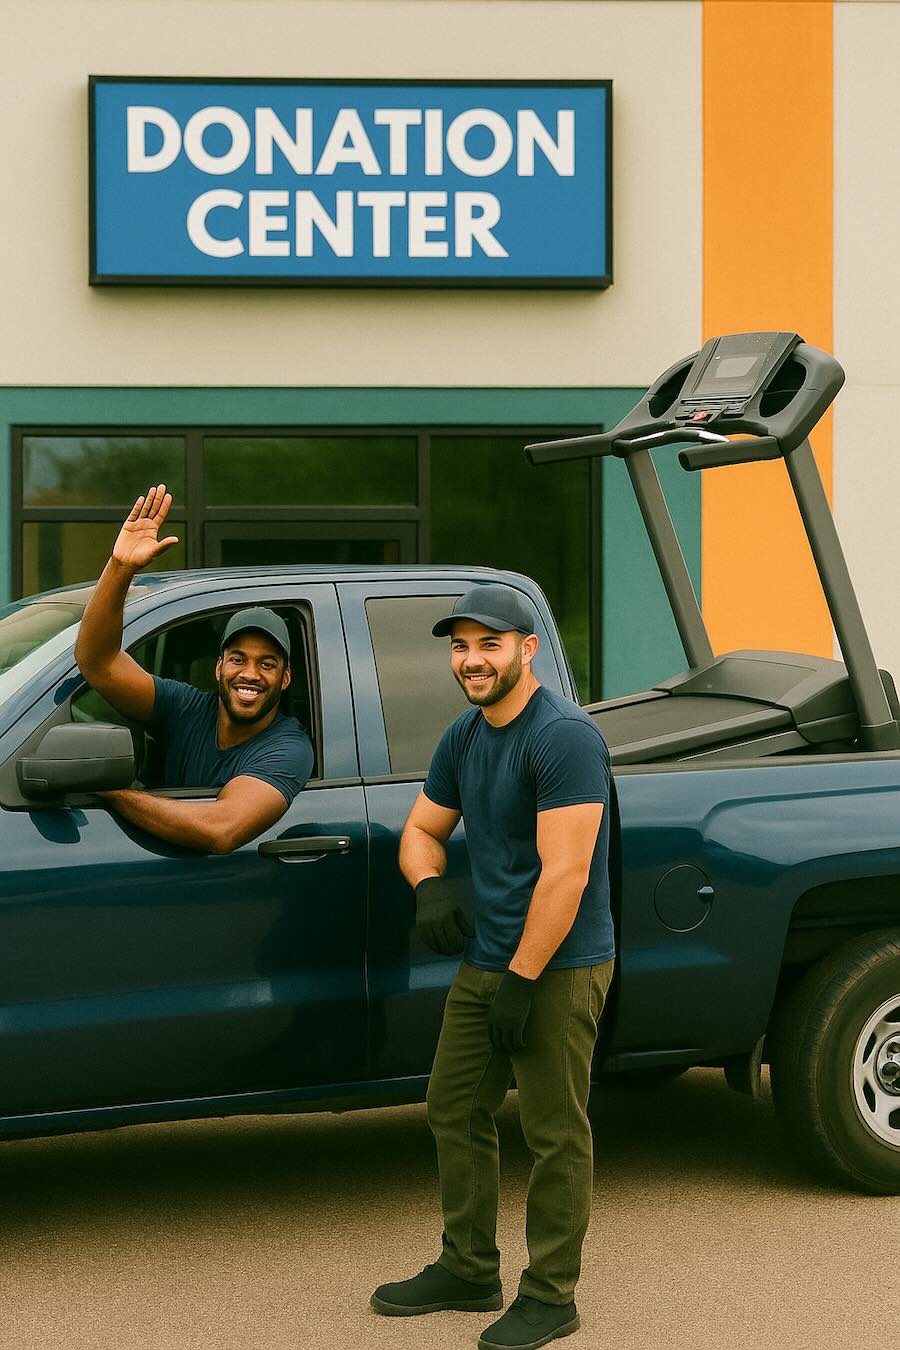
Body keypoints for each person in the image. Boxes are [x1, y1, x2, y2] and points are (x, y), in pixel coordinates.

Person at [371, 583, 614, 1350]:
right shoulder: (466, 736)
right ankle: (470, 1267)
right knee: (454, 1106)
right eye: (459, 646)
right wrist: (431, 885)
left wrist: (522, 979)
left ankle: (551, 1296)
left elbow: (566, 875)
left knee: (553, 1133)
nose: (472, 660)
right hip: (490, 962)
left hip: (558, 964)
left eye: (489, 644)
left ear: (528, 648)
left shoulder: (564, 736)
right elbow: (420, 829)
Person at [74, 483, 314, 852]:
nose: (249, 674)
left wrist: (116, 794)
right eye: (238, 659)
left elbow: (219, 830)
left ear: (285, 679)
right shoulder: (185, 708)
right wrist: (120, 567)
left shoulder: (287, 747)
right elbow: (98, 661)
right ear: (218, 668)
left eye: (267, 664)